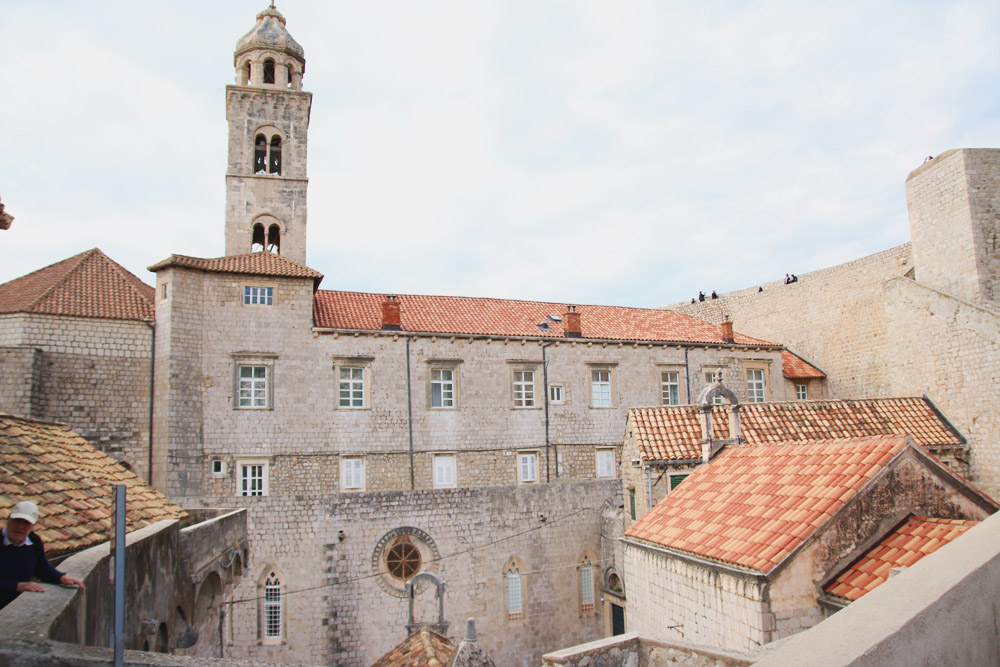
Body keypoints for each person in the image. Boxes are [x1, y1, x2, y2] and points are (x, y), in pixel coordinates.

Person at [1, 500, 85, 609]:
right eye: (17, 521)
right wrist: (17, 586)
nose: (20, 527)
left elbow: (41, 568)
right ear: (9, 519)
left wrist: (60, 578)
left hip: (13, 608)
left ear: (33, 525)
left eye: (26, 523)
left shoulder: (34, 542)